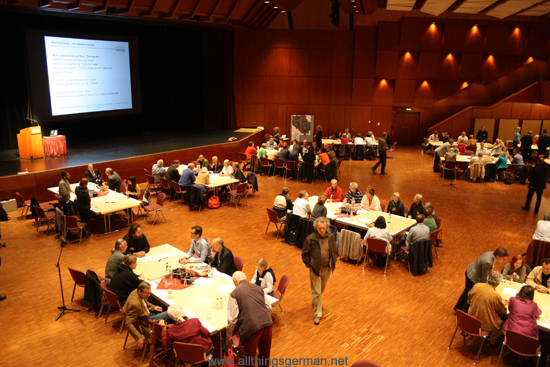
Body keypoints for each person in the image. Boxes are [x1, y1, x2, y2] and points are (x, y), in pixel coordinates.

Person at [227, 271, 273, 367]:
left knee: (250, 360)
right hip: (267, 324)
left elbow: (232, 319)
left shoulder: (234, 294)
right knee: (264, 357)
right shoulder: (259, 289)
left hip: (251, 328)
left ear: (235, 280)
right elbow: (269, 307)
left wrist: (229, 335)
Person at [302, 217, 337, 325]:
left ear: (326, 227)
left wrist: (332, 262)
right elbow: (305, 254)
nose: (321, 230)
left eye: (323, 228)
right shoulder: (310, 238)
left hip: (327, 268)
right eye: (319, 228)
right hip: (315, 269)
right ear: (316, 227)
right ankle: (318, 314)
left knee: (321, 289)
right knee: (316, 291)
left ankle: (315, 301)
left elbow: (334, 250)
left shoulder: (331, 237)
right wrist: (310, 265)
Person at [454, 247, 509, 312]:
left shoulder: (490, 253)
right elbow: (484, 277)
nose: (504, 260)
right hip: (473, 277)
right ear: (498, 256)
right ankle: (463, 312)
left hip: (470, 271)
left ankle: (458, 308)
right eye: (504, 258)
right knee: (470, 296)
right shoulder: (488, 262)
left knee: (467, 291)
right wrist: (486, 287)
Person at [123, 282, 172, 350]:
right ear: (140, 291)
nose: (149, 295)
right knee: (169, 313)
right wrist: (139, 338)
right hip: (146, 322)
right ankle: (165, 340)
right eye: (147, 293)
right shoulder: (135, 304)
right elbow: (128, 323)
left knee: (158, 307)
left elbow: (143, 302)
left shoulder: (136, 292)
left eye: (149, 293)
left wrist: (153, 307)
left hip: (145, 313)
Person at [467, 271, 508, 344]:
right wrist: (502, 303)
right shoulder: (495, 295)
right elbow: (502, 312)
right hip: (485, 324)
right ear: (497, 283)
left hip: (471, 318)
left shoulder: (477, 285)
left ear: (487, 279)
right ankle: (491, 343)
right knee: (503, 324)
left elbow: (469, 296)